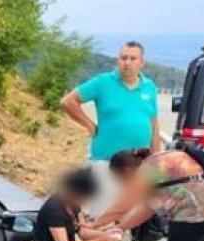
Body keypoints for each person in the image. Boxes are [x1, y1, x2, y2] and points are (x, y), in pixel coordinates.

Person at [62, 41, 162, 220]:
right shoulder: (103, 82)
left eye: (133, 58)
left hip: (137, 164)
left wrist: (155, 162)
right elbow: (68, 102)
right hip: (106, 161)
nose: (127, 62)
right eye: (124, 58)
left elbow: (154, 125)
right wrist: (90, 125)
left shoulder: (149, 87)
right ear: (118, 60)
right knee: (104, 214)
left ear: (141, 63)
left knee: (127, 215)